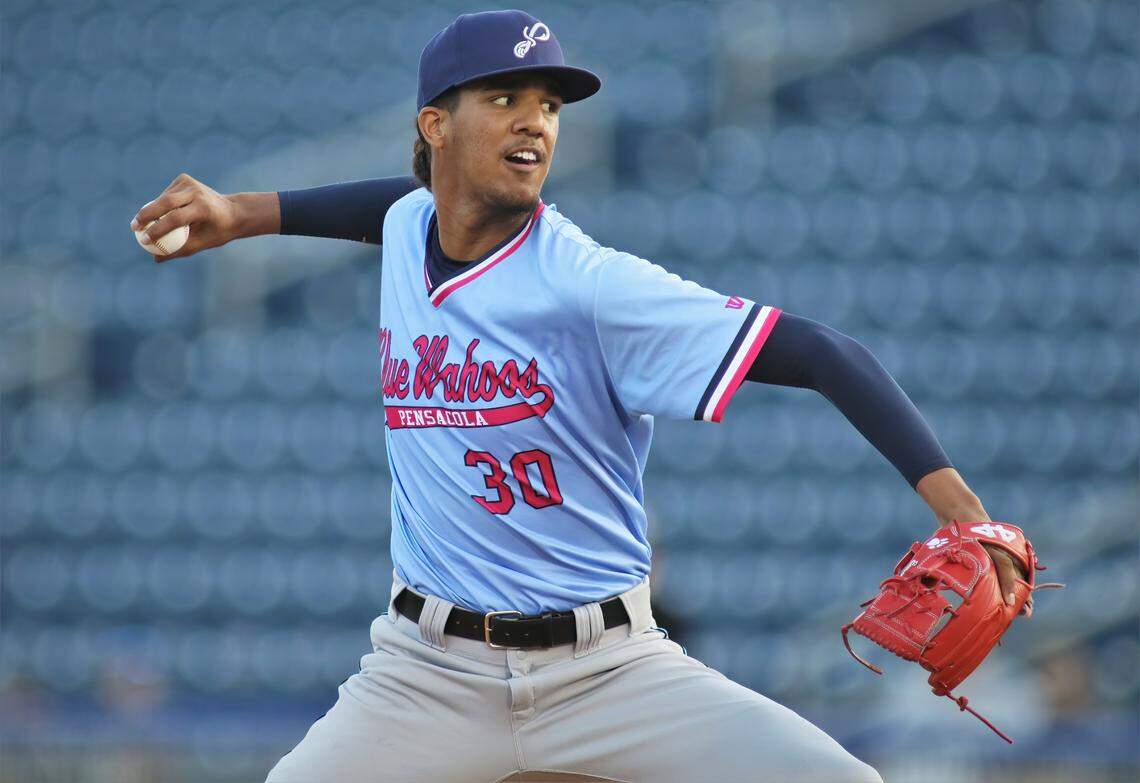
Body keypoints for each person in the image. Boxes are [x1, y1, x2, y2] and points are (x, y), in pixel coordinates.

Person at [132, 10, 1030, 782]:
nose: (536, 124)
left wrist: (968, 515)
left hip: (610, 669)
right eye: (505, 99)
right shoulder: (412, 227)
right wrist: (241, 212)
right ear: (434, 126)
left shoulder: (590, 285)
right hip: (423, 671)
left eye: (551, 105)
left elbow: (830, 354)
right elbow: (389, 205)